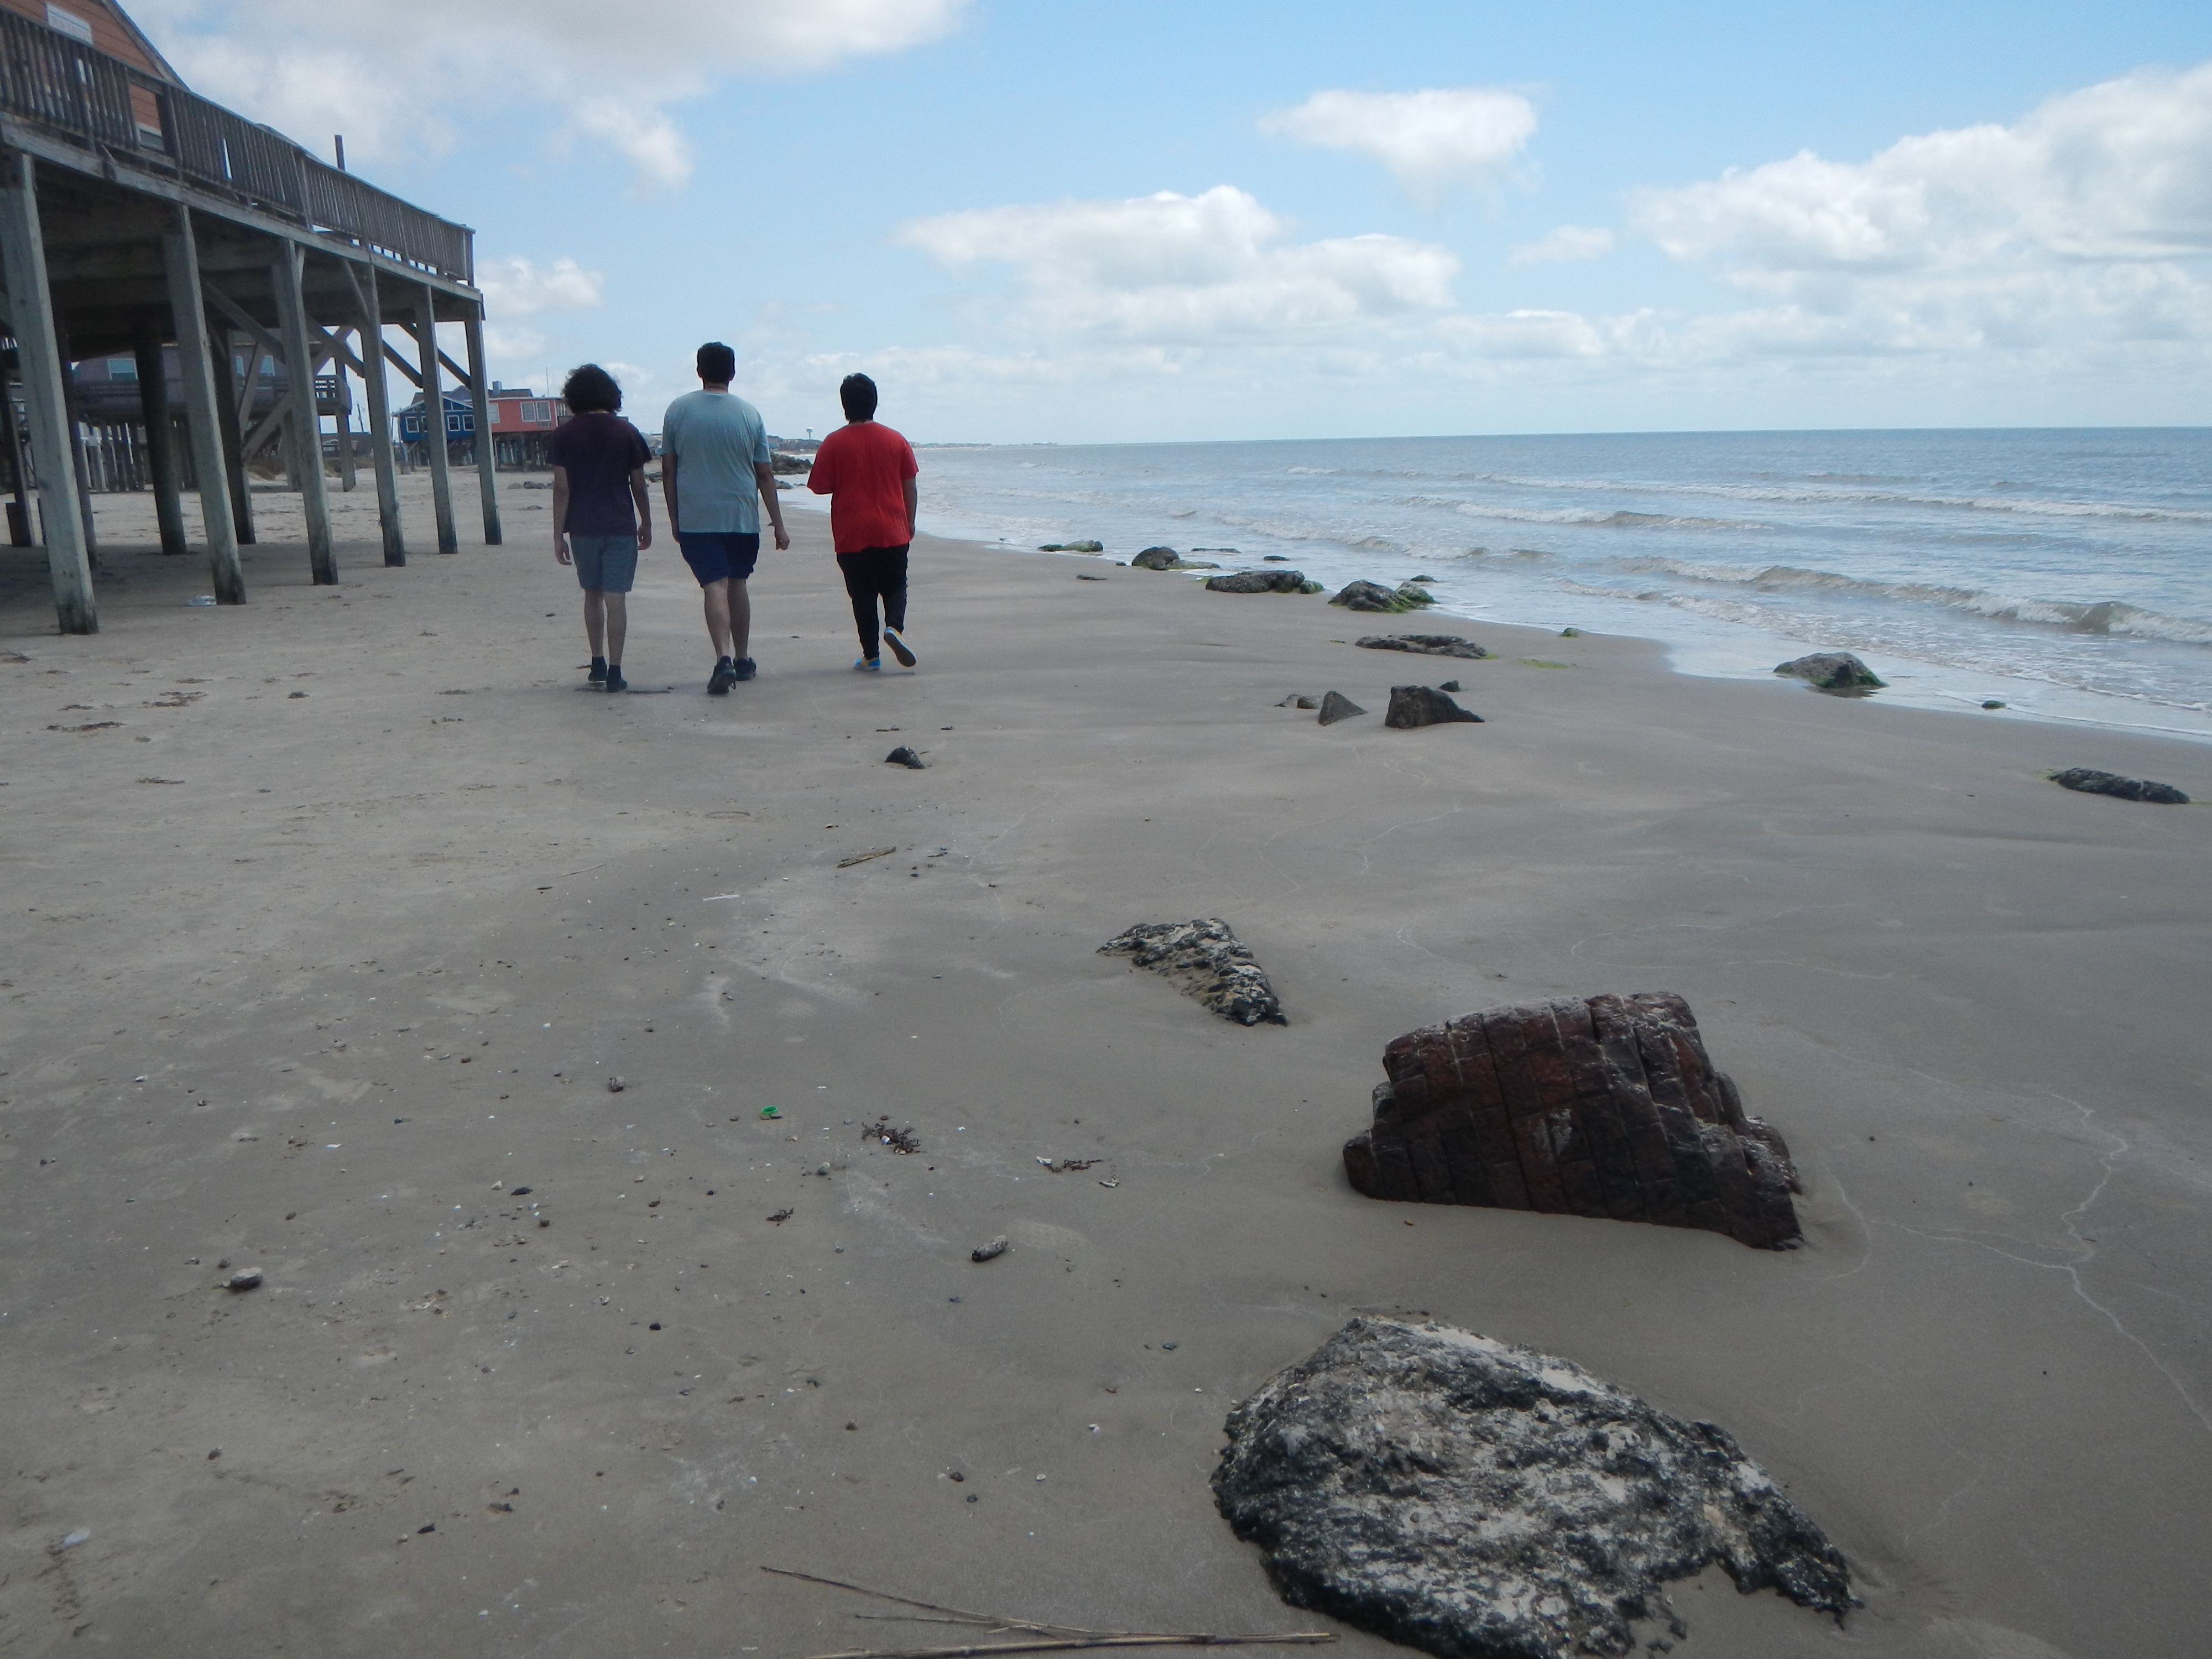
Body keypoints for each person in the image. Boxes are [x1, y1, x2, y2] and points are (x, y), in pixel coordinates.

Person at [660, 341, 789, 695]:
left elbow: (668, 469)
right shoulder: (750, 414)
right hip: (742, 516)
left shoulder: (677, 411)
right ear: (732, 373)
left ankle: (723, 658)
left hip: (697, 517)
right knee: (738, 584)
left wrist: (675, 517)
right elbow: (764, 473)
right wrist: (778, 524)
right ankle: (744, 658)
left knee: (713, 585)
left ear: (699, 371)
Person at [548, 363, 653, 692]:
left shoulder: (563, 434)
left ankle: (597, 661)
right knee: (615, 596)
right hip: (619, 524)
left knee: (591, 594)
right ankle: (617, 670)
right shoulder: (626, 431)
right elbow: (638, 482)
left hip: (582, 526)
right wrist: (646, 520)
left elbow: (562, 488)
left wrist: (558, 533)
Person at [806, 372, 919, 671]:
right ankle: (894, 628)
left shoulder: (833, 442)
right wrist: (911, 521)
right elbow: (910, 484)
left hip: (851, 531)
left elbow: (819, 486)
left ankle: (871, 656)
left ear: (845, 405)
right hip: (892, 526)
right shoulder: (896, 440)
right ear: (875, 402)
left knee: (862, 595)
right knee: (896, 585)